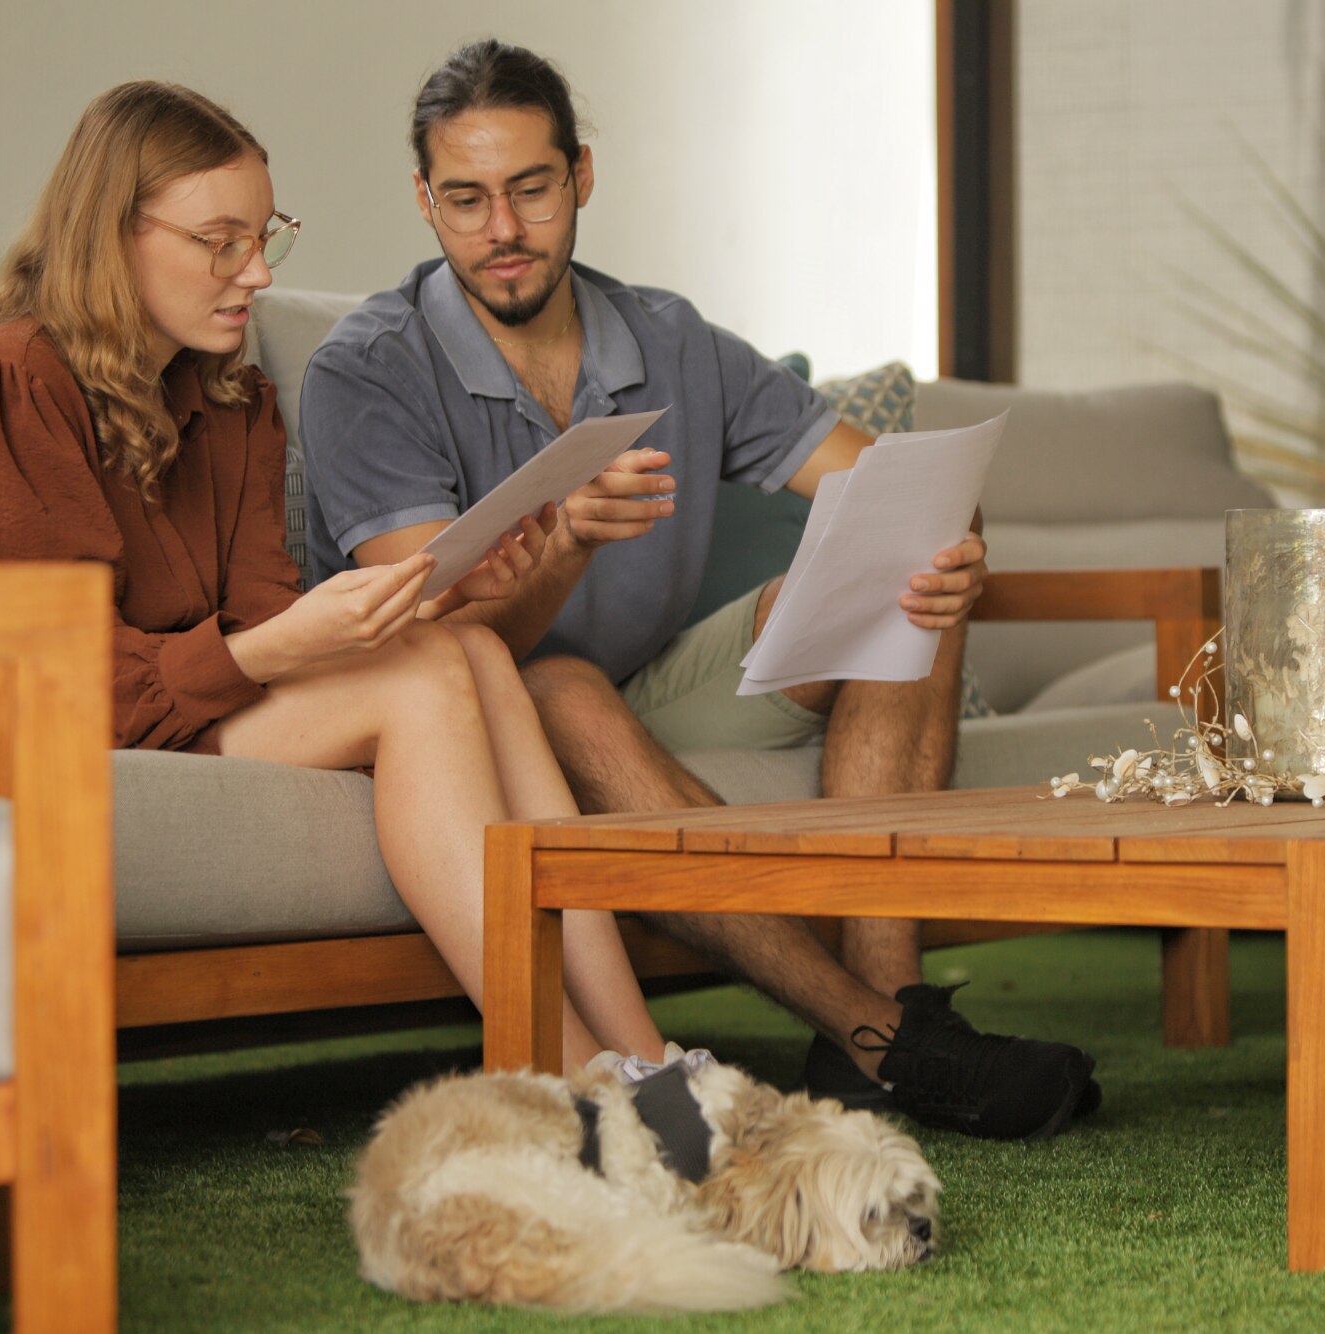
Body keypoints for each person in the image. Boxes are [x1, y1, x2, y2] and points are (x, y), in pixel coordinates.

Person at [299, 42, 1099, 1140]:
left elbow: (887, 478)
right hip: (492, 714)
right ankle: (877, 1034)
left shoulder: (668, 335)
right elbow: (437, 639)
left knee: (908, 561)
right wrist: (563, 547)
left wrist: (952, 537)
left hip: (652, 680)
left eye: (530, 189)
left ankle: (889, 1014)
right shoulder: (369, 368)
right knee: (562, 680)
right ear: (423, 200)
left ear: (580, 175)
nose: (502, 231)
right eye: (466, 199)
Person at [0, 79, 668, 1077]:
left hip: (185, 705)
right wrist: (275, 646)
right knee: (422, 678)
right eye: (220, 241)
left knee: (463, 644)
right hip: (40, 726)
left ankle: (650, 1061)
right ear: (113, 234)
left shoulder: (233, 393)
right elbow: (49, 678)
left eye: (264, 236)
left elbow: (263, 613)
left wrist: (432, 595)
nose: (255, 271)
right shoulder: (12, 379)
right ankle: (579, 1082)